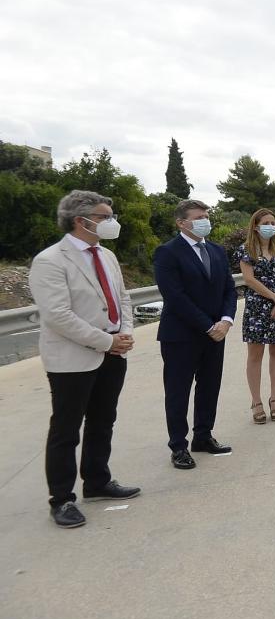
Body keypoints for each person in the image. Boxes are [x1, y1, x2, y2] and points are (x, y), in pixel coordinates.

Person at [30, 190, 141, 528]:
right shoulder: (50, 260)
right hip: (73, 358)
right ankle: (61, 499)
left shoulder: (106, 255)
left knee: (103, 420)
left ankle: (97, 481)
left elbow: (122, 296)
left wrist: (124, 331)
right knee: (66, 429)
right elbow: (58, 316)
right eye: (106, 216)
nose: (112, 222)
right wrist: (105, 341)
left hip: (112, 351)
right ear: (82, 221)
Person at [154, 199, 238, 469]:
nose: (205, 220)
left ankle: (203, 435)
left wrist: (225, 321)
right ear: (181, 223)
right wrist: (208, 325)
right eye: (199, 216)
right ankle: (178, 445)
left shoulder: (216, 250)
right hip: (181, 335)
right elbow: (175, 296)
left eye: (206, 215)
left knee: (209, 386)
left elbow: (229, 289)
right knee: (178, 391)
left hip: (216, 332)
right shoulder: (168, 252)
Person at [236, 208, 275, 423]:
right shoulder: (246, 250)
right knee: (255, 355)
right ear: (256, 226)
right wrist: (274, 298)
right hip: (257, 308)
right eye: (266, 222)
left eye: (273, 222)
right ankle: (256, 401)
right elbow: (249, 280)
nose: (271, 226)